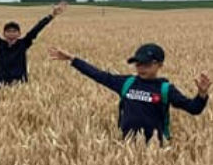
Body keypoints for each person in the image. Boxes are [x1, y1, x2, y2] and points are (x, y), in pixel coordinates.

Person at [49, 43, 209, 143]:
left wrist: (201, 94)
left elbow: (193, 109)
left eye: (146, 65)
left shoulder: (165, 89)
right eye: (138, 64)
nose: (141, 68)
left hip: (155, 148)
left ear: (159, 65)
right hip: (127, 145)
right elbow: (98, 75)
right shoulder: (127, 83)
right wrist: (73, 59)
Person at [0, 0, 66, 86]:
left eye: (14, 31)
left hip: (20, 84)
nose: (11, 33)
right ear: (4, 34)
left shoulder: (23, 44)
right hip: (0, 84)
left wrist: (52, 15)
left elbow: (37, 29)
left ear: (19, 34)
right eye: (8, 31)